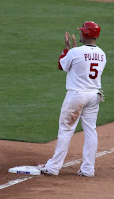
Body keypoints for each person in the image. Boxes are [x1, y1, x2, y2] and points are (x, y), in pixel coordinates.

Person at [38, 21, 106, 177]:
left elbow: (61, 66)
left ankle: (54, 167)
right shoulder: (102, 54)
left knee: (66, 130)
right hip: (93, 95)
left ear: (87, 34)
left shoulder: (75, 52)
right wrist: (74, 51)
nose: (81, 33)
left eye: (83, 31)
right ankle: (88, 169)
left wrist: (67, 49)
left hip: (76, 95)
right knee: (90, 131)